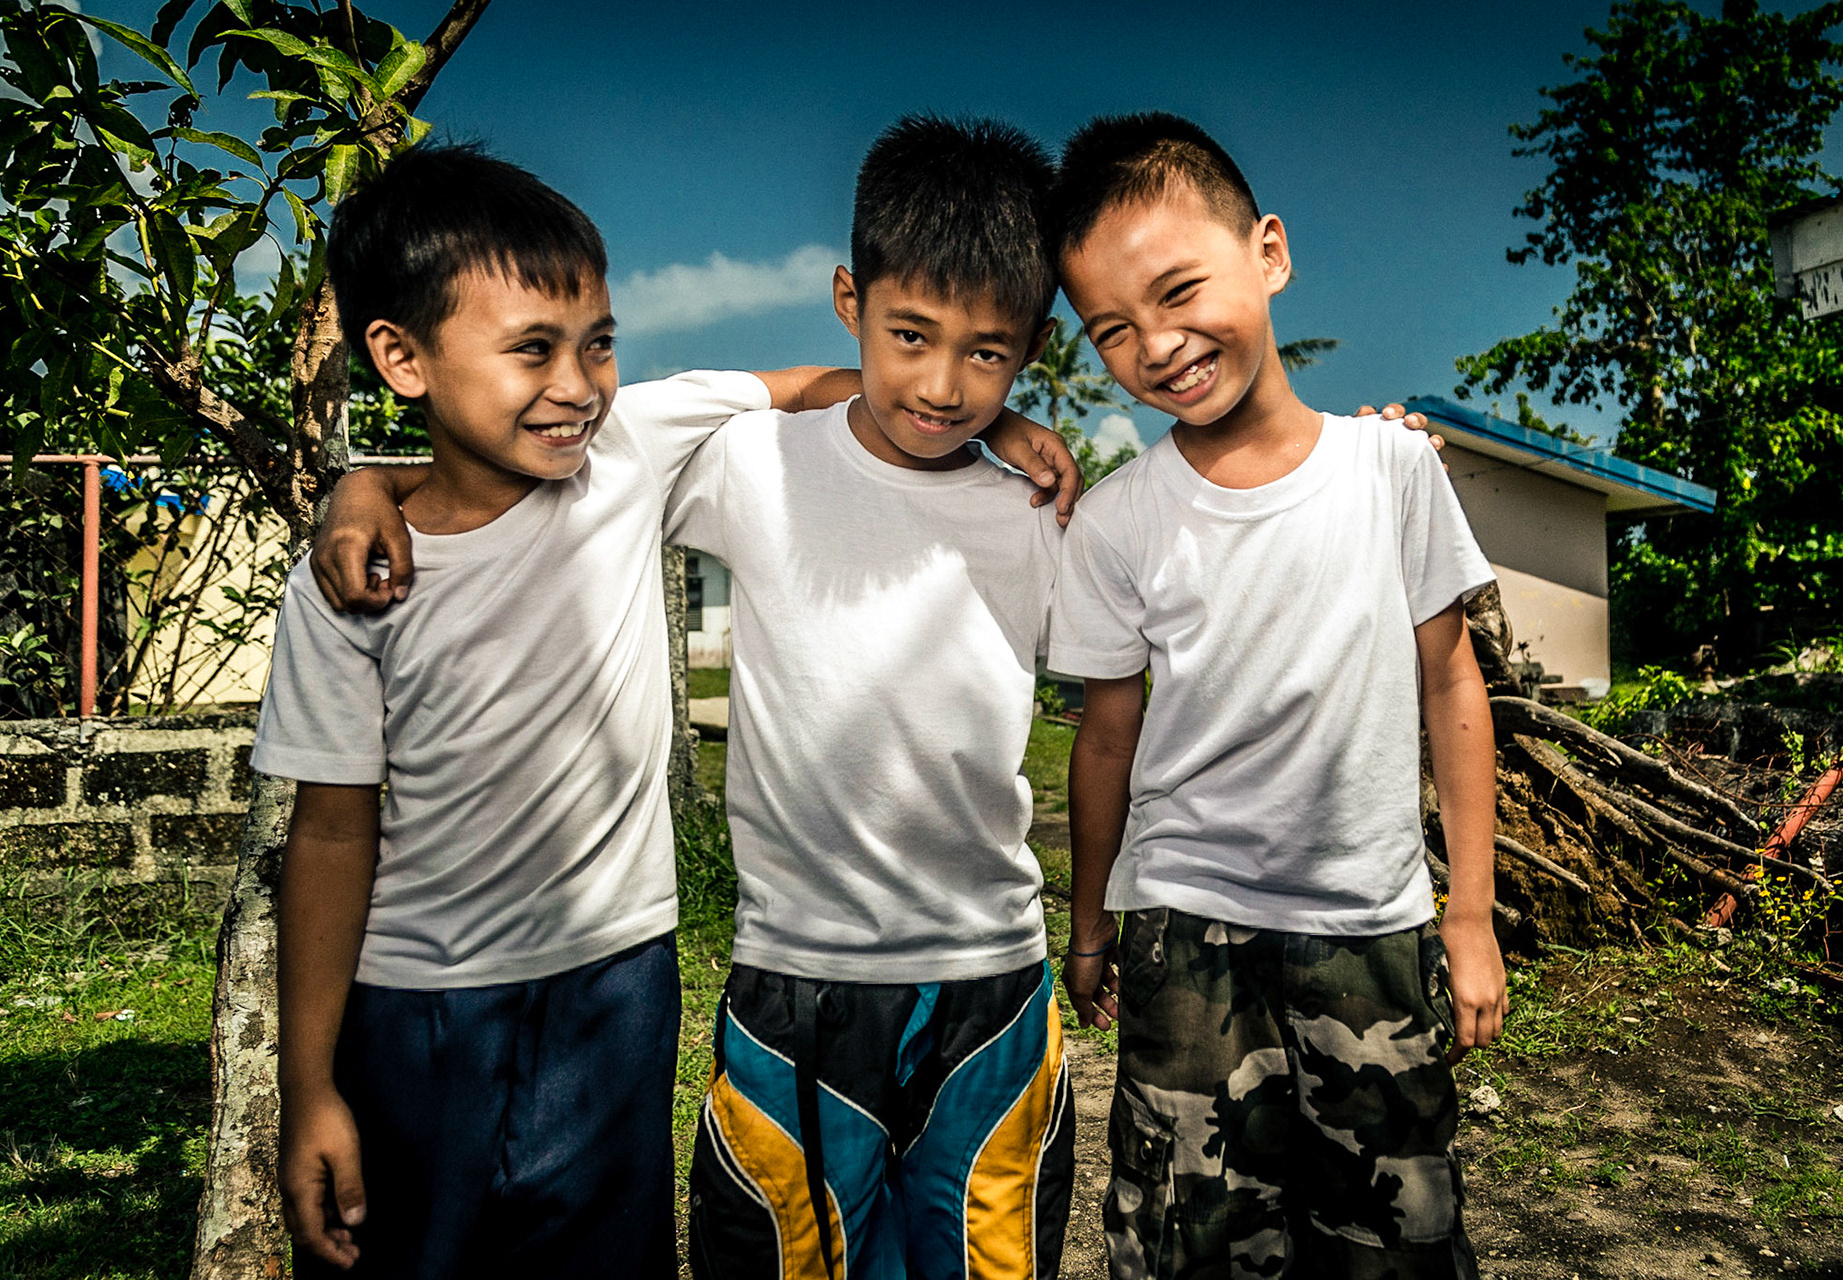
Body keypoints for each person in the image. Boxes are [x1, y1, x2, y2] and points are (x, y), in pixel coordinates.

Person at [256, 143, 1072, 1278]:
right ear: (399, 356)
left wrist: (996, 423)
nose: (577, 384)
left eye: (598, 344)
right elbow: (330, 831)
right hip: (415, 1008)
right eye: (533, 349)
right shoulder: (355, 580)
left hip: (619, 984)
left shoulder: (629, 450)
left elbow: (807, 387)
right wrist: (308, 1085)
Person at [1046, 112, 1508, 1280]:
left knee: (1392, 1234)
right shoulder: (1117, 519)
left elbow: (1451, 681)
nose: (1158, 344)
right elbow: (1106, 736)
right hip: (1183, 930)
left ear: (1269, 253)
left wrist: (1468, 914)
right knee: (1191, 1238)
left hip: (1370, 921)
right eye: (1113, 330)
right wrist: (1091, 925)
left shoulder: (1392, 470)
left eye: (1179, 290)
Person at [671, 115, 1076, 1280]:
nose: (942, 386)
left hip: (990, 975)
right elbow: (585, 442)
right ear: (849, 299)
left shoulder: (1037, 513)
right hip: (799, 974)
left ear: (1035, 345)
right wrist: (373, 489)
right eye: (910, 335)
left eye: (987, 353)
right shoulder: (758, 461)